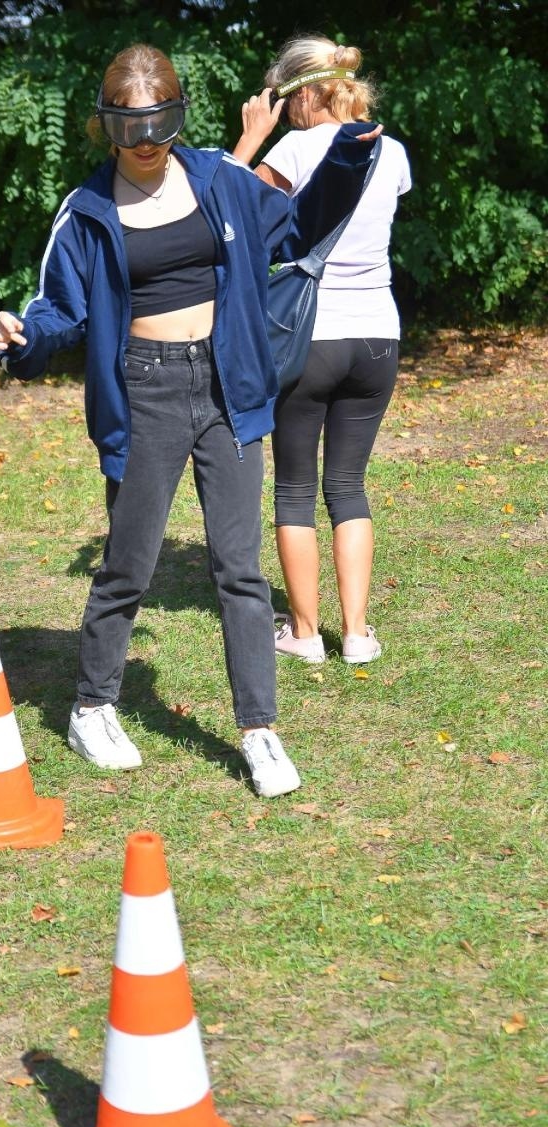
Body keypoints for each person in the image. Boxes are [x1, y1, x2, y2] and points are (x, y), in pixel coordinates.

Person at [0, 44, 380, 797]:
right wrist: (24, 339)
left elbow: (293, 233)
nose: (143, 144)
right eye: (128, 129)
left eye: (158, 126)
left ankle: (260, 732)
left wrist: (348, 162)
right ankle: (92, 706)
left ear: (176, 118)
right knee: (128, 567)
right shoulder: (88, 210)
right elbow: (59, 310)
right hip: (145, 397)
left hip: (226, 386)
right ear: (106, 127)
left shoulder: (215, 177)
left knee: (241, 569)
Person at [234, 35, 411, 666]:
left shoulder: (293, 148)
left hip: (307, 339)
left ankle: (306, 635)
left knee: (294, 489)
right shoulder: (390, 151)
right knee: (349, 485)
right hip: (377, 338)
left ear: (303, 92)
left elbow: (234, 222)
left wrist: (250, 142)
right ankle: (358, 633)